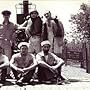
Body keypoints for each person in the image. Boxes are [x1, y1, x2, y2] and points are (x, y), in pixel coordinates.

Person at [0, 10, 17, 78]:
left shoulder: (13, 25)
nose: (6, 17)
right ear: (3, 16)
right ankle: (1, 74)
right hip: (0, 43)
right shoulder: (0, 25)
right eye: (5, 15)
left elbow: (18, 30)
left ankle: (8, 74)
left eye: (7, 15)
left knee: (8, 58)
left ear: (9, 16)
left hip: (7, 43)